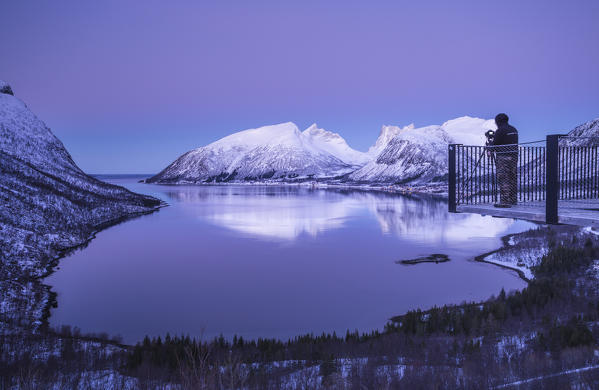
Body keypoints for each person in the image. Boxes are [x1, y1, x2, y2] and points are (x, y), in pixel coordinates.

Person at [490, 113, 518, 207]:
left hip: (503, 157)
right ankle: (513, 199)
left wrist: (490, 144)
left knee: (503, 178)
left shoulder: (500, 130)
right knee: (512, 177)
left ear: (498, 121)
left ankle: (505, 201)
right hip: (514, 156)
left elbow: (495, 145)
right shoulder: (514, 129)